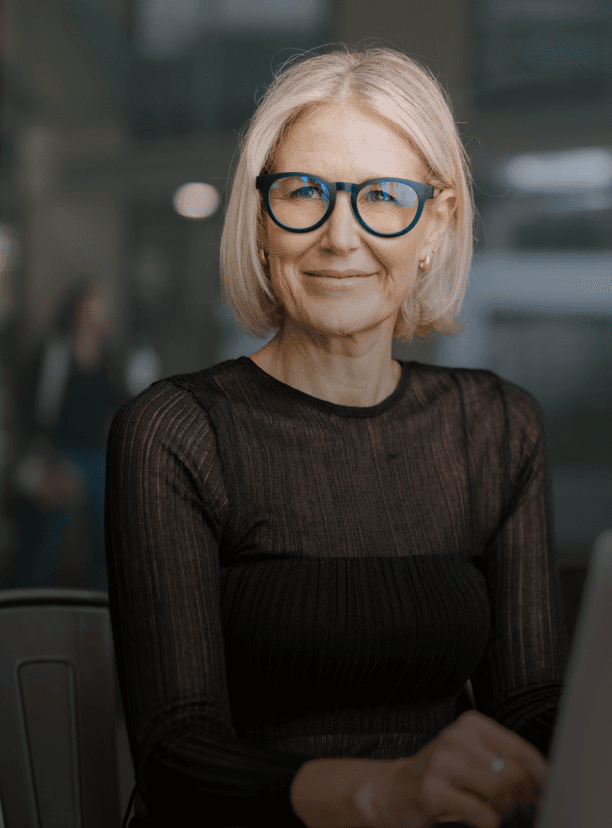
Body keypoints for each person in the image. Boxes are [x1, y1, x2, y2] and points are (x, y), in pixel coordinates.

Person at [105, 47, 569, 828]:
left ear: (436, 222)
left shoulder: (498, 426)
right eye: (303, 193)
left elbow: (529, 704)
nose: (338, 235)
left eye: (383, 197)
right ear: (260, 224)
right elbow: (174, 751)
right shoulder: (176, 431)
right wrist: (379, 795)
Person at [7, 279, 124, 590]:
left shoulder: (108, 360)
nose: (97, 313)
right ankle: (33, 599)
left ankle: (102, 601)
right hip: (59, 452)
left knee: (110, 525)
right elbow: (33, 409)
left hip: (96, 455)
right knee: (49, 532)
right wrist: (39, 459)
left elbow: (117, 406)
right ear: (77, 309)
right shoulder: (54, 353)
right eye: (91, 306)